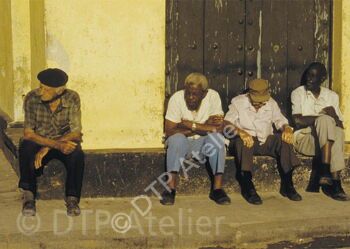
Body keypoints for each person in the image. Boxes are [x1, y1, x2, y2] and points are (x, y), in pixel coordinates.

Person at [19, 68, 85, 216]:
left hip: (63, 139)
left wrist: (49, 148)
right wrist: (54, 145)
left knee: (76, 153)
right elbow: (29, 133)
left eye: (46, 89)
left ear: (59, 91)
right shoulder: (32, 98)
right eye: (40, 86)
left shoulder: (72, 98)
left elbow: (76, 133)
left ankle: (72, 199)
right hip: (39, 139)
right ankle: (28, 197)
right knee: (26, 147)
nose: (41, 91)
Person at [224, 79, 301, 205]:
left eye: (262, 101)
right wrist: (241, 132)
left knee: (284, 141)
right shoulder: (238, 102)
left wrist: (286, 128)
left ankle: (288, 184)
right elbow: (226, 124)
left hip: (264, 140)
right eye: (256, 101)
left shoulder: (271, 103)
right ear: (249, 94)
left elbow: (279, 120)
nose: (260, 103)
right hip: (246, 141)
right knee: (242, 142)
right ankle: (248, 186)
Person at [161, 72, 230, 205]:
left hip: (204, 143)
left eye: (195, 94)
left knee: (217, 138)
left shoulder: (213, 97)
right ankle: (170, 190)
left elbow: (219, 128)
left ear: (204, 94)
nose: (190, 98)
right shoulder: (176, 98)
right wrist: (202, 127)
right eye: (188, 93)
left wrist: (188, 124)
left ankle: (217, 189)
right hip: (183, 143)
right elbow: (170, 131)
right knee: (176, 139)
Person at [291, 62, 348, 201]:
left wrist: (333, 114)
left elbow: (340, 125)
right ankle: (328, 174)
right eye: (308, 75)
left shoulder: (332, 96)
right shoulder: (298, 93)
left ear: (322, 79)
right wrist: (322, 118)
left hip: (325, 143)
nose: (308, 79)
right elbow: (297, 121)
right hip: (305, 139)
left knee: (338, 133)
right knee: (324, 120)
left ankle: (333, 182)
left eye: (313, 76)